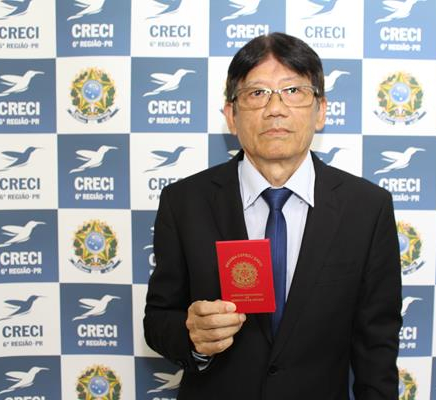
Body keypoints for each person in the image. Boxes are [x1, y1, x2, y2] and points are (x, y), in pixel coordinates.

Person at [144, 32, 402, 399]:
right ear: (231, 116)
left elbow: (377, 346)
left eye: (293, 91)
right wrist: (194, 336)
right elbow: (158, 320)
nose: (275, 109)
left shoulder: (367, 207)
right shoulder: (184, 202)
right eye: (257, 93)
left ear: (321, 110)